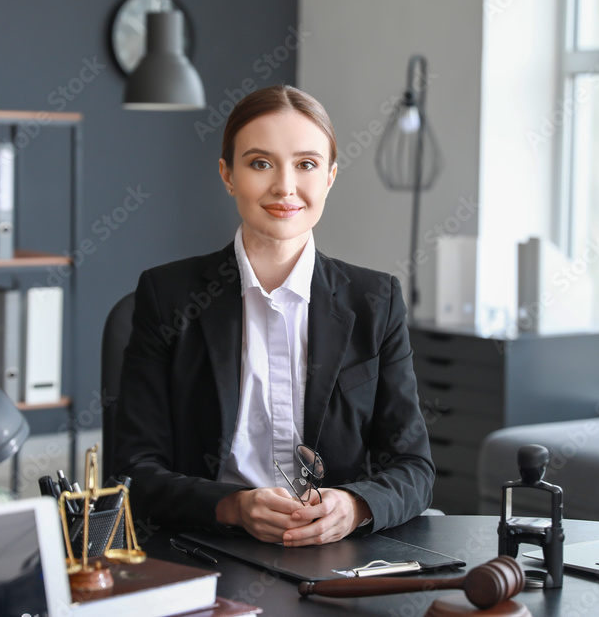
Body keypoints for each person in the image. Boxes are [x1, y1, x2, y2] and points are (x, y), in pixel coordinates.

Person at [113, 85, 434, 547]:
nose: (285, 186)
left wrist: (356, 505)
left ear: (330, 177)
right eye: (260, 163)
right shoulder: (168, 296)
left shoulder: (375, 300)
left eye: (306, 164)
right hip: (210, 549)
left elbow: (415, 469)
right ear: (227, 175)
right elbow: (133, 472)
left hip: (339, 555)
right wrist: (231, 506)